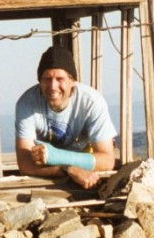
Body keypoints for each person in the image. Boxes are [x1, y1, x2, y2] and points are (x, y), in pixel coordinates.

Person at [15, 45, 116, 189]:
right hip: (51, 173)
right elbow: (25, 165)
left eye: (60, 79)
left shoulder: (92, 102)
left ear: (73, 81)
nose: (53, 86)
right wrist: (67, 168)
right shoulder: (27, 103)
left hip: (86, 172)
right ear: (40, 81)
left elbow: (107, 160)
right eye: (47, 79)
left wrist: (55, 156)